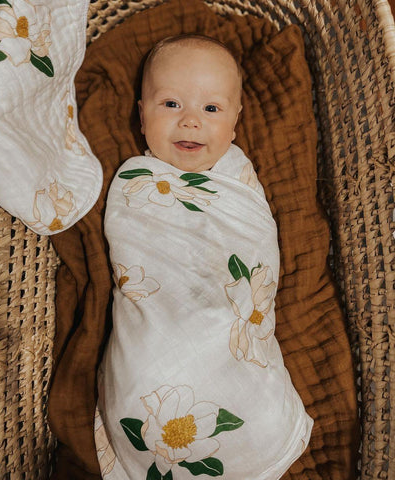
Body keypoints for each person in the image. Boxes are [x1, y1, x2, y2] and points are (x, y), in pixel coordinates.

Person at [94, 34, 313, 480]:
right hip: (159, 327)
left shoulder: (238, 180)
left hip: (226, 320)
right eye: (171, 105)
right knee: (142, 389)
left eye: (210, 109)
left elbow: (253, 251)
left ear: (235, 122)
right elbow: (138, 261)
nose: (190, 122)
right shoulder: (137, 179)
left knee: (262, 416)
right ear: (142, 115)